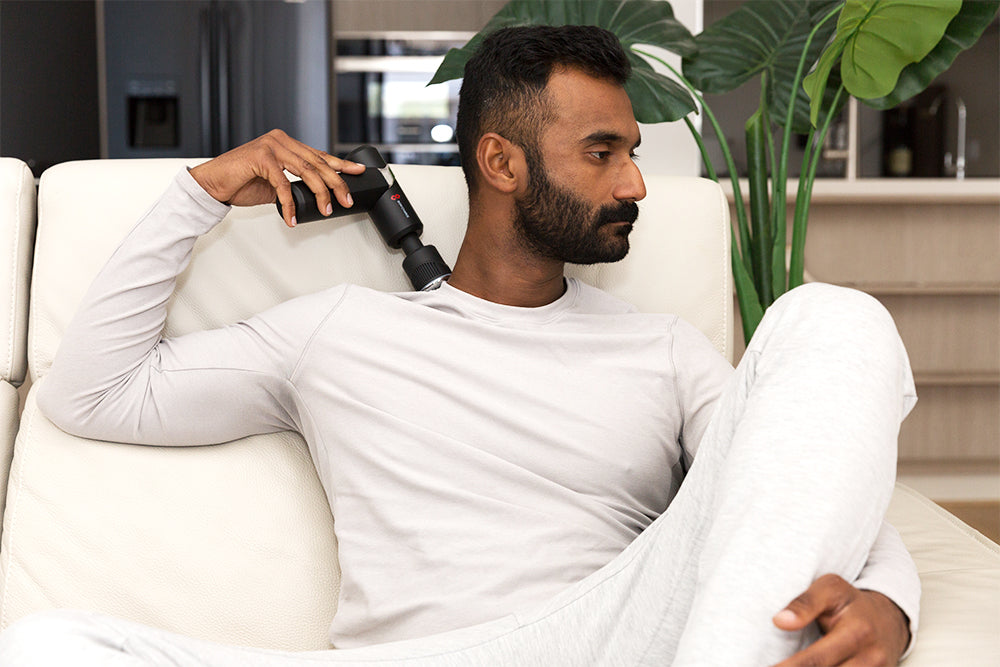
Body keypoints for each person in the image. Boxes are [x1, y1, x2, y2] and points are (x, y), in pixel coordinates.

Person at [0, 25, 919, 666]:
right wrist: (200, 192)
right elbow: (92, 392)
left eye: (633, 150)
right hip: (409, 657)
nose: (637, 180)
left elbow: (802, 484)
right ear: (501, 162)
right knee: (50, 646)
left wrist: (892, 602)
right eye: (603, 152)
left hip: (609, 635)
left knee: (833, 316)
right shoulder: (341, 329)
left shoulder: (665, 351)